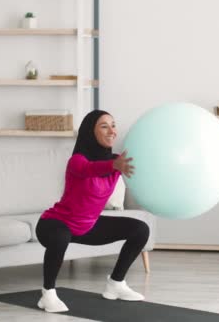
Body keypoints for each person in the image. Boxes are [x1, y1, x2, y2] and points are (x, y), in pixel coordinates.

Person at [35, 110, 150, 313]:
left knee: (140, 229)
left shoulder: (117, 161)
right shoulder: (77, 161)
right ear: (90, 132)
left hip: (88, 226)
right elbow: (90, 169)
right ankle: (48, 294)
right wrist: (114, 165)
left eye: (113, 125)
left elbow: (141, 167)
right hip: (54, 223)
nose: (112, 130)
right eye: (104, 126)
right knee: (61, 236)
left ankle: (116, 284)